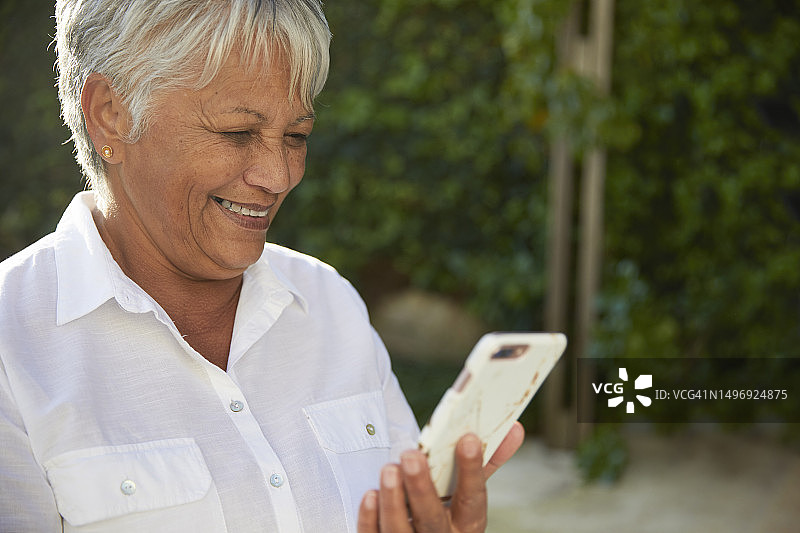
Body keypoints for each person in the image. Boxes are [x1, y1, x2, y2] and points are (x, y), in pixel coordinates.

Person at [0, 1, 523, 531]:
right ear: (111, 113)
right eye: (235, 132)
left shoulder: (329, 303)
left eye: (296, 136)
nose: (279, 175)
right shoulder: (11, 345)